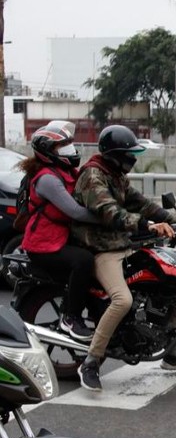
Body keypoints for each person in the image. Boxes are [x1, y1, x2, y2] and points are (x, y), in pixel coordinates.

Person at [72, 125, 176, 392]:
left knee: (171, 286)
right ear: (114, 154)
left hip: (125, 243)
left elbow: (142, 203)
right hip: (102, 249)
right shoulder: (93, 176)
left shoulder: (116, 175)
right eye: (128, 155)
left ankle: (171, 352)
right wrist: (148, 225)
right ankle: (91, 362)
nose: (132, 160)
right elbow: (109, 211)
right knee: (123, 300)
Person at [18, 121, 99, 341]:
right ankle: (70, 317)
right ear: (48, 152)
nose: (68, 149)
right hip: (43, 244)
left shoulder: (66, 171)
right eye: (61, 145)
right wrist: (109, 217)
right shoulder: (47, 179)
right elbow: (76, 211)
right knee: (83, 261)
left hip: (59, 238)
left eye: (69, 144)